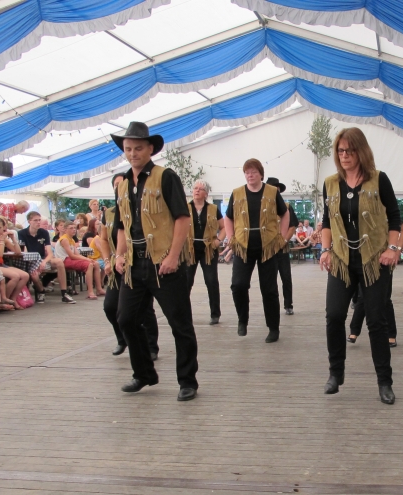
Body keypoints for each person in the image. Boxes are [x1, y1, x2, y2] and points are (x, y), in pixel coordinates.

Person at [112, 121, 199, 402]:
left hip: (163, 261)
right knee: (126, 319)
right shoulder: (123, 184)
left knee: (179, 323)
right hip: (134, 263)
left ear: (150, 149)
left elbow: (182, 218)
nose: (133, 153)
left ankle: (187, 380)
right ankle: (144, 373)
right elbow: (122, 225)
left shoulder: (166, 177)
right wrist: (118, 255)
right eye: (128, 149)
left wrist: (173, 256)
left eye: (138, 148)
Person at [320, 127, 402, 405]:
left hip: (373, 261)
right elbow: (327, 222)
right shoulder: (330, 183)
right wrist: (325, 250)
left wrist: (392, 249)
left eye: (350, 150)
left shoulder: (379, 179)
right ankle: (336, 373)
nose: (344, 155)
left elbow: (395, 218)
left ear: (361, 151)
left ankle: (384, 382)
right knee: (334, 316)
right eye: (340, 151)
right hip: (342, 260)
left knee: (376, 321)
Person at [224, 160, 290, 342]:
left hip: (267, 248)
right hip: (243, 247)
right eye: (247, 172)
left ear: (261, 174)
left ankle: (273, 328)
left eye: (253, 172)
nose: (250, 175)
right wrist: (231, 238)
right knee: (238, 285)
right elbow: (228, 218)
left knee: (269, 290)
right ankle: (242, 319)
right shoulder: (237, 193)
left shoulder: (272, 192)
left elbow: (285, 214)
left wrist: (282, 237)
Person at [98, 173, 159, 360]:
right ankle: (122, 338)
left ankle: (151, 346)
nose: (119, 188)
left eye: (122, 184)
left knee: (144, 308)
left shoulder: (140, 207)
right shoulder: (109, 213)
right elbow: (103, 239)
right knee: (110, 306)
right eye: (116, 185)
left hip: (138, 263)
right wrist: (107, 260)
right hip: (117, 264)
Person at [348, 223, 403, 347]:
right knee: (362, 296)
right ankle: (354, 330)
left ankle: (391, 334)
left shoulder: (386, 212)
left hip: (384, 258)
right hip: (364, 258)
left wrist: (397, 250)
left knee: (385, 298)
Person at [185, 179, 224, 325]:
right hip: (190, 249)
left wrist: (218, 240)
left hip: (208, 249)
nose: (197, 191)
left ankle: (215, 314)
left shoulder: (213, 209)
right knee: (186, 281)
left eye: (200, 189)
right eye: (195, 188)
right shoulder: (185, 207)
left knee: (211, 280)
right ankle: (184, 314)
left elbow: (224, 227)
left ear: (206, 194)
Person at [19, 211, 75, 304]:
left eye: (39, 220)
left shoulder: (44, 233)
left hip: (43, 258)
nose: (38, 222)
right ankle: (41, 291)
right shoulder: (22, 233)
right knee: (34, 276)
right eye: (35, 220)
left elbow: (49, 253)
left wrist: (44, 261)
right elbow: (24, 252)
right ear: (29, 221)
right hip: (30, 260)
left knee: (59, 262)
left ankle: (64, 293)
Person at [0, 217, 31, 309]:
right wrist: (2, 241)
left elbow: (18, 252)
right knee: (15, 276)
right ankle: (3, 300)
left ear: (4, 227)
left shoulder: (4, 238)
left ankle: (13, 298)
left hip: (0, 264)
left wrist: (13, 239)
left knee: (25, 275)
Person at [267, 176, 296, 317]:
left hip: (282, 248)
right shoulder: (263, 207)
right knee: (269, 280)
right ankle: (271, 306)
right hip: (268, 249)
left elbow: (292, 226)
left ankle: (288, 305)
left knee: (286, 277)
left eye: (276, 189)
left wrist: (284, 240)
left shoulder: (287, 207)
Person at [55, 223, 104, 299]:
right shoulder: (64, 239)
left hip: (71, 259)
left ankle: (99, 289)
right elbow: (71, 256)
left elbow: (77, 254)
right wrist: (87, 259)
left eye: (74, 228)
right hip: (64, 260)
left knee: (96, 263)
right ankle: (90, 292)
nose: (74, 230)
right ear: (65, 230)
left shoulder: (72, 240)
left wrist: (88, 259)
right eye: (71, 228)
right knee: (89, 265)